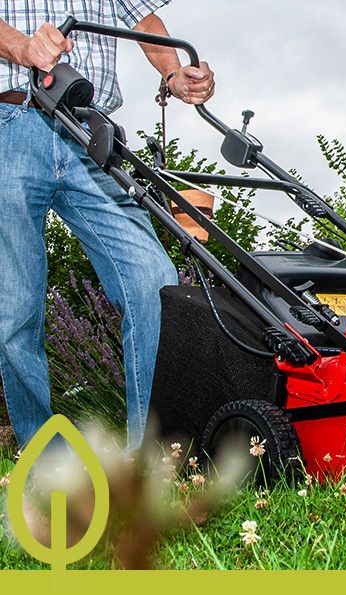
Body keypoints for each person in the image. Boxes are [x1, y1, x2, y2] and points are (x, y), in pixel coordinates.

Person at [0, 1, 215, 450]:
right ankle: (43, 458)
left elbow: (145, 20)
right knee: (16, 307)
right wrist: (22, 47)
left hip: (87, 131)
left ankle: (152, 456)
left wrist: (174, 73)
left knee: (152, 280)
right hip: (10, 123)